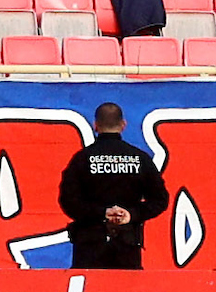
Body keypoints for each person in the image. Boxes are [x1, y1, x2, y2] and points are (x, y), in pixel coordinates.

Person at [56, 102, 171, 271]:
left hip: (89, 246)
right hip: (127, 244)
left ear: (96, 125)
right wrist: (130, 214)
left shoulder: (82, 159)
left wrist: (102, 213)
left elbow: (68, 201)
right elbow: (160, 200)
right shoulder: (140, 158)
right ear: (123, 125)